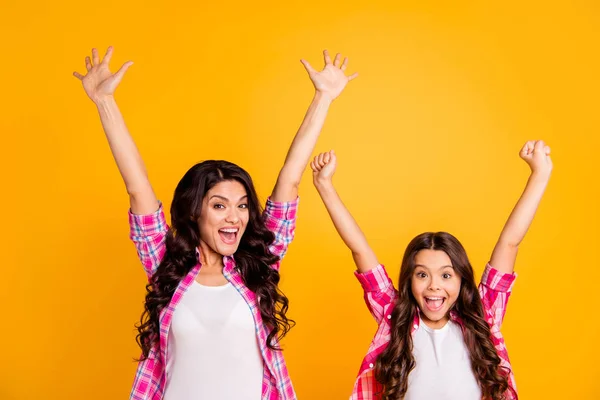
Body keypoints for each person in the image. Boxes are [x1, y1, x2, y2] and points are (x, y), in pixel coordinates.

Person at [73, 46, 358, 400]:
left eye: (241, 206)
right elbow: (137, 186)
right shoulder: (166, 265)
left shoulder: (258, 264)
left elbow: (291, 179)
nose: (234, 216)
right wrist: (105, 102)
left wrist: (324, 98)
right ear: (195, 212)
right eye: (219, 205)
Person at [310, 141, 552, 399]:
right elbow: (359, 248)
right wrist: (324, 185)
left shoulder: (483, 315)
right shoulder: (394, 318)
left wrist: (539, 174)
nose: (434, 285)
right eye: (422, 274)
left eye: (446, 275)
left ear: (462, 280)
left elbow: (510, 242)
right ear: (410, 280)